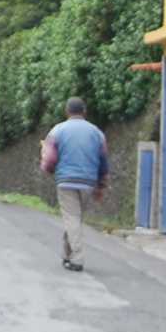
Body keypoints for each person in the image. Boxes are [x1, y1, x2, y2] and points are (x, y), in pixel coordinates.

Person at [41, 97, 107, 272]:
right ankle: (66, 254)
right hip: (88, 181)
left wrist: (48, 169)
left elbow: (50, 158)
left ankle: (77, 258)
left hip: (66, 180)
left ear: (67, 112)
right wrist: (101, 185)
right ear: (84, 112)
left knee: (72, 219)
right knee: (75, 219)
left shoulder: (58, 130)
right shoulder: (97, 133)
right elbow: (103, 160)